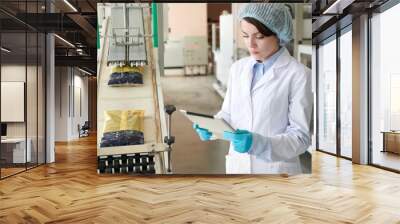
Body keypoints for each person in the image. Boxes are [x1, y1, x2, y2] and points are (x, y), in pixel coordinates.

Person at [193, 3, 313, 175]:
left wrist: (258, 143)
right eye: (245, 35)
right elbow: (228, 114)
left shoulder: (299, 75)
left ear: (279, 35)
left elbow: (300, 138)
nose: (251, 44)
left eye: (260, 36)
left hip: (276, 173)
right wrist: (212, 127)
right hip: (238, 167)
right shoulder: (238, 68)